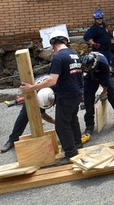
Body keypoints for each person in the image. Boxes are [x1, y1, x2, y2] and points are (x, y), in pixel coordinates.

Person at [20, 34, 83, 165]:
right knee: (72, 119)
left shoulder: (59, 57)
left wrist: (32, 87)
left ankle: (71, 152)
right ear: (66, 41)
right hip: (77, 92)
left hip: (66, 95)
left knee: (61, 125)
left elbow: (52, 80)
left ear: (54, 44)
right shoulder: (74, 54)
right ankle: (78, 143)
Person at [0, 75, 55, 153]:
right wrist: (54, 122)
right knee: (23, 116)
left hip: (45, 90)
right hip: (31, 92)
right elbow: (42, 114)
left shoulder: (54, 87)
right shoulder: (35, 95)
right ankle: (12, 140)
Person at [81, 51, 114, 137]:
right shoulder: (83, 63)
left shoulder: (103, 63)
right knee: (88, 100)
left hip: (103, 74)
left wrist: (104, 93)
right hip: (89, 77)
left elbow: (106, 82)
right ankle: (89, 125)